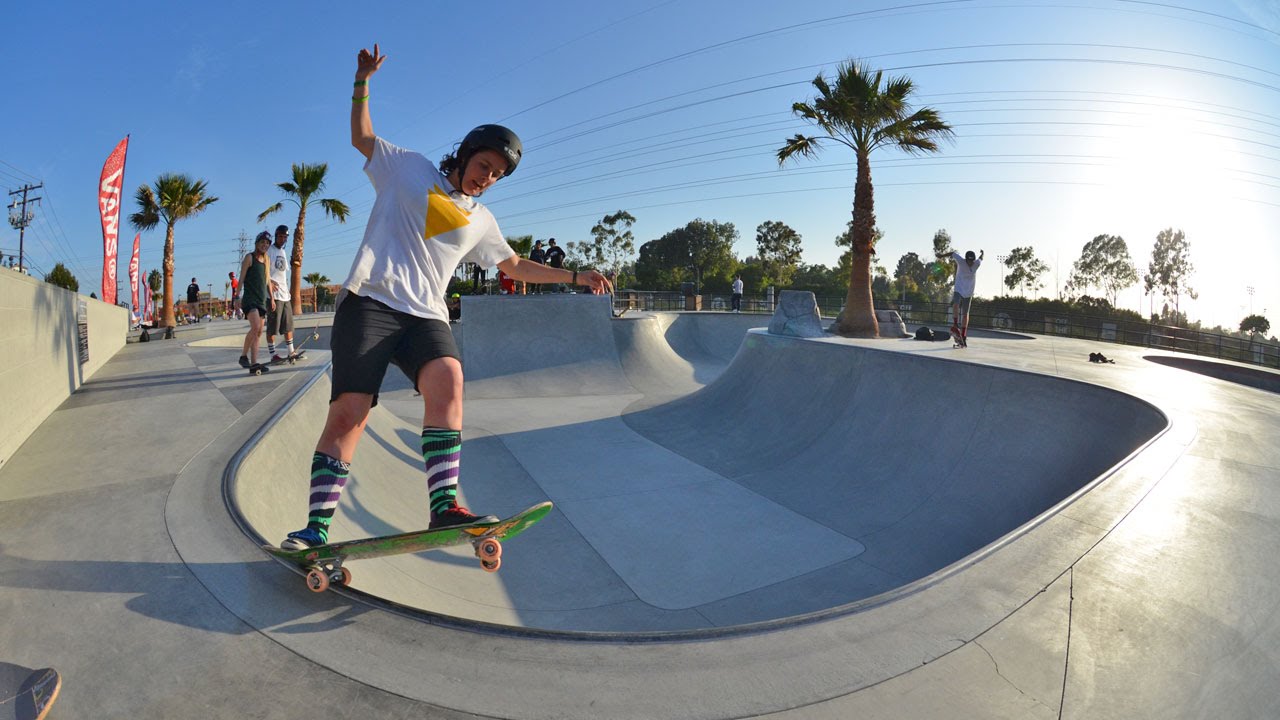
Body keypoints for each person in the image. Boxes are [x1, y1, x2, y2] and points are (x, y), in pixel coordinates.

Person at [279, 43, 612, 551]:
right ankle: (315, 528)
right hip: (370, 302)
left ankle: (444, 507)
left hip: (425, 315)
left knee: (450, 379)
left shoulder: (481, 220)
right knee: (350, 413)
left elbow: (514, 265)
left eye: (497, 174)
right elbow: (361, 136)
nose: (487, 178)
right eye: (484, 165)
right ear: (464, 154)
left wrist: (574, 276)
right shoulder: (406, 168)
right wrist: (362, 80)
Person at [238, 232, 273, 369]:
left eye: (267, 243)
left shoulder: (267, 260)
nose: (265, 245)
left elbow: (268, 280)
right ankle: (243, 356)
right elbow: (241, 279)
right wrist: (236, 297)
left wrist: (273, 298)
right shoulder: (249, 257)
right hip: (250, 299)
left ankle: (254, 364)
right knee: (255, 327)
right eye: (262, 242)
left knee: (258, 332)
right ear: (257, 243)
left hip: (261, 300)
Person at [937, 248, 984, 344]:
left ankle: (963, 334)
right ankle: (955, 324)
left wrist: (982, 253)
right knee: (956, 304)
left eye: (972, 261)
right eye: (969, 261)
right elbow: (952, 253)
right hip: (958, 288)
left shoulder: (976, 264)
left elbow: (981, 258)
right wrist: (941, 256)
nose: (970, 263)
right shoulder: (961, 261)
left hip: (969, 291)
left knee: (965, 314)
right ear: (965, 259)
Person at [266, 224, 296, 362]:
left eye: (285, 237)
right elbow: (263, 271)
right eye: (280, 236)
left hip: (285, 295)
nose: (283, 239)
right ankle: (273, 355)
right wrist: (270, 283)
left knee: (288, 325)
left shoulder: (283, 252)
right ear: (276, 236)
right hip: (274, 296)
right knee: (273, 327)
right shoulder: (269, 251)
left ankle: (291, 352)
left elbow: (283, 275)